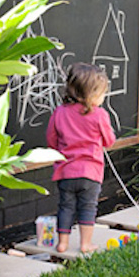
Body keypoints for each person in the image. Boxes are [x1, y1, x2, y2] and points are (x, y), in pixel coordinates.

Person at [46, 63, 116, 253]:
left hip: (65, 171)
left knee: (65, 206)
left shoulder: (59, 112)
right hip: (90, 173)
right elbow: (109, 141)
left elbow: (51, 141)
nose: (104, 97)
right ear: (91, 94)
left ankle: (62, 243)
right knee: (88, 207)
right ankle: (85, 244)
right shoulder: (99, 115)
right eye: (102, 93)